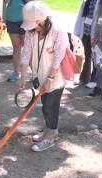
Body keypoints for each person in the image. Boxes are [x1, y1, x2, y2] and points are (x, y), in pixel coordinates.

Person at [20, 1, 69, 151]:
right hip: (40, 77)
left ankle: (51, 136)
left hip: (56, 77)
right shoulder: (31, 33)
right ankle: (48, 130)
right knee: (45, 106)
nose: (31, 27)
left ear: (41, 21)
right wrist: (22, 78)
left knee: (51, 106)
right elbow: (26, 55)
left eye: (33, 24)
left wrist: (50, 79)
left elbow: (58, 58)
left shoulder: (58, 32)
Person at [75, 0, 98, 86]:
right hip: (86, 33)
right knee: (85, 56)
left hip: (95, 34)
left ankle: (94, 80)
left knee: (96, 57)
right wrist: (77, 32)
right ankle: (84, 79)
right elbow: (80, 17)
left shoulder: (101, 2)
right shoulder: (86, 2)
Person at [4, 0, 25, 82]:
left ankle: (35, 74)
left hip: (25, 19)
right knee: (16, 48)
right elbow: (5, 2)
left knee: (28, 48)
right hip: (11, 19)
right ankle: (16, 73)